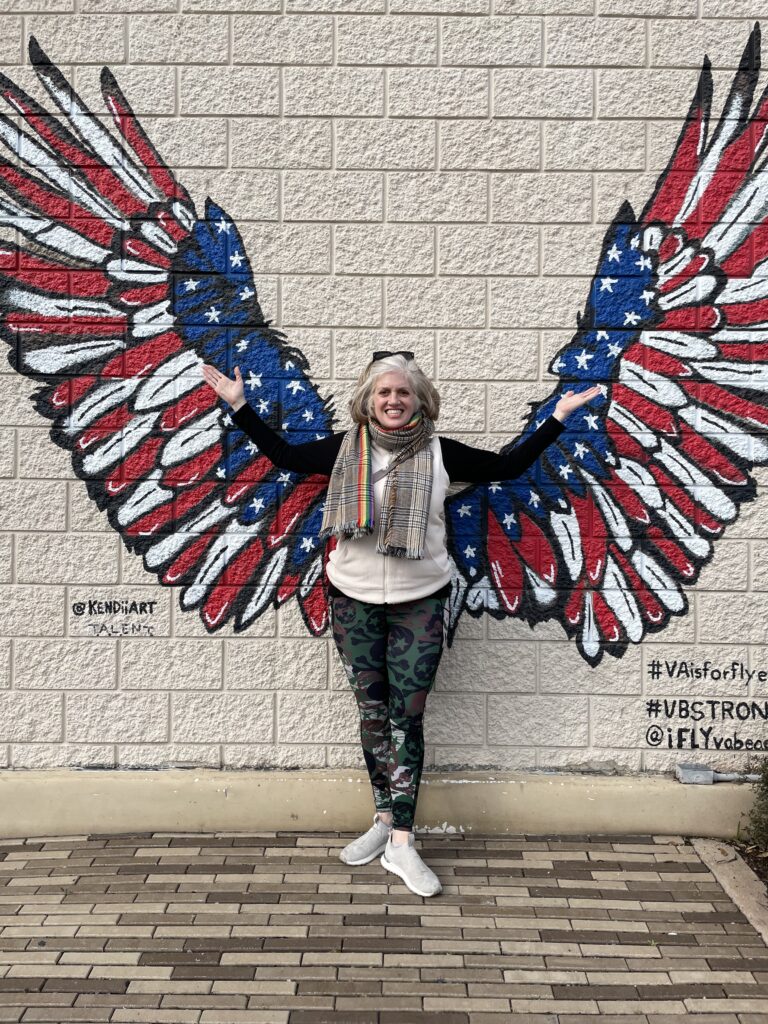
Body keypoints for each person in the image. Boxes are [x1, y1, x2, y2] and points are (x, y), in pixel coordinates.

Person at [201, 353, 599, 898]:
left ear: (420, 401)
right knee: (372, 713)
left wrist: (557, 416)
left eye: (404, 394)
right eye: (384, 393)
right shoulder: (343, 451)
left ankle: (404, 844)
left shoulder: (441, 455)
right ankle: (385, 820)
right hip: (351, 600)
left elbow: (508, 468)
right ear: (368, 399)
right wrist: (240, 407)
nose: (393, 401)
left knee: (406, 715)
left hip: (420, 601)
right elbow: (286, 458)